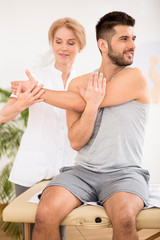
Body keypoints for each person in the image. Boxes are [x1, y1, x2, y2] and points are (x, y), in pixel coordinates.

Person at [23, 11, 150, 240]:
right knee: (44, 215)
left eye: (133, 39)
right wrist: (91, 108)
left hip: (124, 173)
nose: (131, 45)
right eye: (124, 39)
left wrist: (36, 92)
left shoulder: (136, 78)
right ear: (103, 44)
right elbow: (76, 141)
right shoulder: (79, 83)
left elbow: (82, 100)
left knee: (123, 219)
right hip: (82, 172)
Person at [5, 17, 86, 240]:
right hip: (31, 170)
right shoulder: (35, 77)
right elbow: (6, 115)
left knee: (56, 232)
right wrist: (20, 103)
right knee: (29, 233)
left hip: (67, 173)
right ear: (51, 43)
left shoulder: (85, 82)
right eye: (58, 41)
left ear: (81, 45)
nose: (63, 48)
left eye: (70, 42)